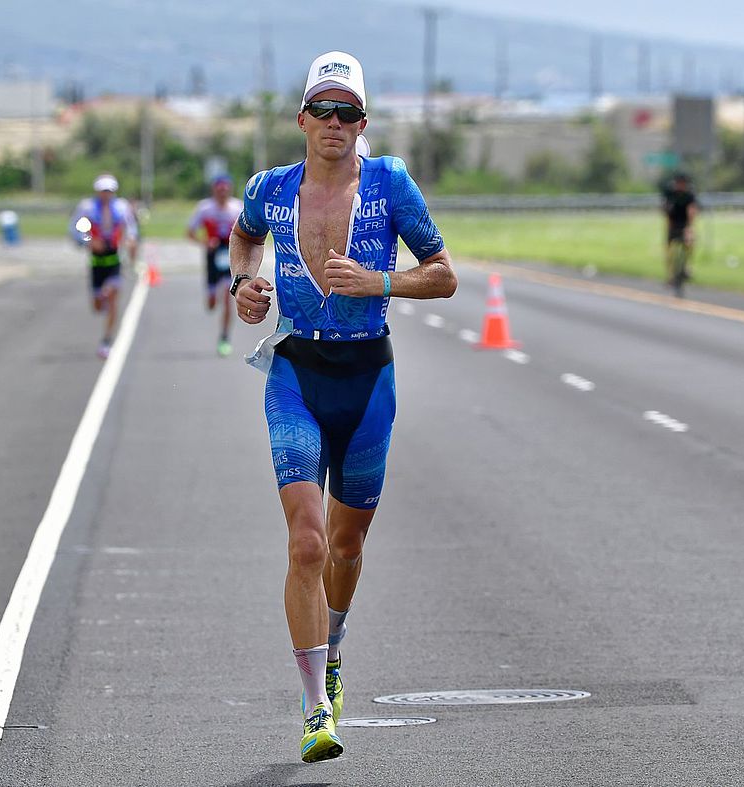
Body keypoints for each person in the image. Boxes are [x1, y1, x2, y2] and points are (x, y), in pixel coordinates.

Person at [228, 51, 456, 763]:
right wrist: (244, 283)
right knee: (307, 539)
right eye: (322, 110)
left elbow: (445, 276)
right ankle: (313, 707)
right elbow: (243, 237)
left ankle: (334, 650)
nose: (335, 123)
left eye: (348, 112)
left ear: (363, 123)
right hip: (296, 371)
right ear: (301, 119)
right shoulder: (269, 189)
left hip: (366, 377)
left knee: (347, 544)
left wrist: (376, 280)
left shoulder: (390, 184)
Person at [70, 174, 139, 359]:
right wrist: (89, 242)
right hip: (96, 262)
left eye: (109, 191)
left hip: (114, 261)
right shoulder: (88, 208)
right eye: (103, 191)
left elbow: (131, 228)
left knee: (112, 295)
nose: (106, 195)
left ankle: (107, 340)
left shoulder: (121, 208)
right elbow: (76, 229)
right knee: (98, 305)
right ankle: (101, 298)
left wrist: (130, 242)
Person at [187, 174, 243, 356]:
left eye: (225, 189)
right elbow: (189, 232)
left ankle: (225, 337)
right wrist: (205, 242)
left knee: (228, 299)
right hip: (212, 257)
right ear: (214, 190)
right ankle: (212, 296)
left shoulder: (237, 207)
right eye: (219, 189)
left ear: (230, 189)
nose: (222, 192)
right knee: (212, 303)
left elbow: (248, 232)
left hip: (230, 256)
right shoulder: (205, 208)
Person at [661, 172, 697, 295]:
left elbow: (692, 210)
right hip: (672, 223)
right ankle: (670, 275)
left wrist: (689, 227)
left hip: (685, 224)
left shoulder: (689, 194)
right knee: (669, 250)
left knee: (690, 240)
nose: (680, 185)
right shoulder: (670, 193)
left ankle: (687, 265)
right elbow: (664, 208)